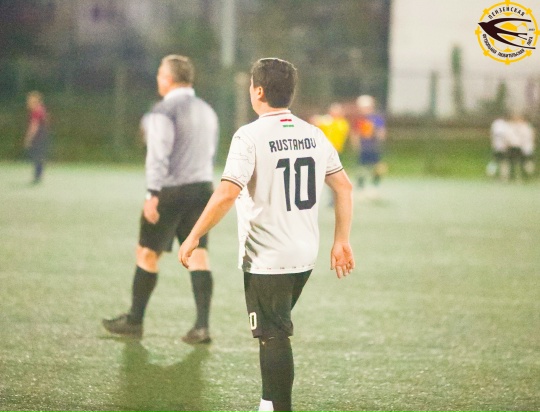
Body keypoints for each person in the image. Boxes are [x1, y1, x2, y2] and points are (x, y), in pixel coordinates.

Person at [178, 58, 355, 412]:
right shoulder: (313, 134)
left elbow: (227, 193)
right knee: (274, 330)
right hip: (305, 256)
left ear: (258, 91)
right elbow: (344, 187)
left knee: (273, 336)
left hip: (268, 259)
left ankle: (279, 408)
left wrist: (194, 234)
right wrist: (341, 240)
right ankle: (267, 404)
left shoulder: (249, 136)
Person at [102, 55, 219, 344]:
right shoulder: (207, 110)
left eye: (159, 74)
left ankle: (135, 321)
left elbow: (158, 156)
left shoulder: (163, 110)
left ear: (168, 78)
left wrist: (152, 194)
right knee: (199, 255)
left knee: (146, 252)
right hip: (203, 189)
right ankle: (202, 327)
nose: (157, 79)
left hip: (171, 191)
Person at [350, 94, 386, 198]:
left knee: (378, 167)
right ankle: (360, 187)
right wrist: (356, 145)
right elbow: (355, 134)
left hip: (373, 147)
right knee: (361, 168)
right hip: (363, 147)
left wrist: (379, 138)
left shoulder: (376, 118)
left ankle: (375, 186)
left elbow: (381, 132)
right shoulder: (359, 119)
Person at [23, 91, 50, 184]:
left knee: (37, 156)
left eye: (30, 100)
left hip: (38, 137)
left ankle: (37, 176)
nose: (28, 102)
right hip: (42, 136)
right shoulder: (41, 109)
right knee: (39, 156)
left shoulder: (36, 111)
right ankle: (38, 175)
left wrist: (28, 138)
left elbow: (34, 126)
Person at [486, 114, 509, 179]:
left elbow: (493, 135)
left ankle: (497, 175)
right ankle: (501, 175)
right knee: (501, 161)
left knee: (497, 160)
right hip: (501, 146)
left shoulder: (496, 124)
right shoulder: (502, 124)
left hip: (498, 146)